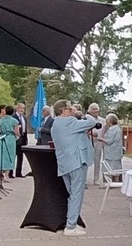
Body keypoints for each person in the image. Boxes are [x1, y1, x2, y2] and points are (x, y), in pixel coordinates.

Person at [50, 100, 103, 236]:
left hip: (64, 163)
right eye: (70, 108)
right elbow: (91, 122)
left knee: (72, 194)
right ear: (64, 111)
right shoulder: (70, 122)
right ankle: (71, 226)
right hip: (76, 162)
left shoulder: (55, 123)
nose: (72, 109)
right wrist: (84, 113)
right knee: (76, 194)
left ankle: (72, 221)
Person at [0, 106, 19, 185]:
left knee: (0, 155)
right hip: (10, 139)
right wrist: (16, 137)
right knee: (10, 156)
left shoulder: (1, 119)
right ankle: (6, 175)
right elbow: (16, 132)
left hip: (1, 138)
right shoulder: (14, 121)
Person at [98, 113, 124, 181]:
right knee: (116, 167)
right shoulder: (118, 128)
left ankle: (108, 182)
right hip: (116, 152)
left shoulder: (112, 129)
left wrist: (101, 139)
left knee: (109, 167)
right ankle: (117, 180)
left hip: (111, 152)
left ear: (109, 121)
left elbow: (109, 141)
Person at [87, 103, 104, 185]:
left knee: (97, 161)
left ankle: (96, 179)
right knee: (86, 161)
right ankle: (85, 180)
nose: (95, 111)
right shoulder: (86, 119)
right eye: (93, 109)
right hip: (88, 142)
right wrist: (91, 134)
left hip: (99, 142)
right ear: (89, 110)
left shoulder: (102, 120)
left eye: (96, 109)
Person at [13, 102, 29, 177]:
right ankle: (10, 172)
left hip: (22, 139)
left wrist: (26, 140)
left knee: (20, 156)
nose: (22, 110)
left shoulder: (24, 118)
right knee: (13, 156)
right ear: (17, 108)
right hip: (15, 139)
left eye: (23, 108)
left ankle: (18, 172)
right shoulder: (13, 116)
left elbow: (25, 129)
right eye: (20, 108)